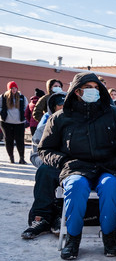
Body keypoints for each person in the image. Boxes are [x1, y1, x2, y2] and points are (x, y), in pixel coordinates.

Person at [38, 72, 116, 260]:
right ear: (77, 91)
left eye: (96, 88)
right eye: (88, 88)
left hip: (107, 167)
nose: (93, 91)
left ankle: (109, 237)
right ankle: (73, 238)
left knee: (111, 186)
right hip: (76, 168)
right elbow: (45, 149)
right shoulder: (60, 117)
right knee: (76, 187)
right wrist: (63, 162)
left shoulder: (112, 113)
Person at [21, 92, 66, 239]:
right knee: (45, 172)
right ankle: (41, 218)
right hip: (52, 166)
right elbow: (35, 155)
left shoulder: (76, 123)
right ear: (53, 108)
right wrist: (51, 162)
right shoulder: (44, 128)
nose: (64, 107)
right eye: (60, 105)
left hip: (73, 166)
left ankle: (61, 216)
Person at [0, 81, 28, 164]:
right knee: (9, 139)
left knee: (20, 140)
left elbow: (26, 107)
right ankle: (11, 157)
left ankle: (21, 158)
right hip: (6, 122)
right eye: (12, 88)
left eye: (15, 88)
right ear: (9, 89)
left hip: (19, 122)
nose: (14, 90)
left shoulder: (22, 97)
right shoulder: (3, 97)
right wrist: (2, 113)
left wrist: (24, 116)